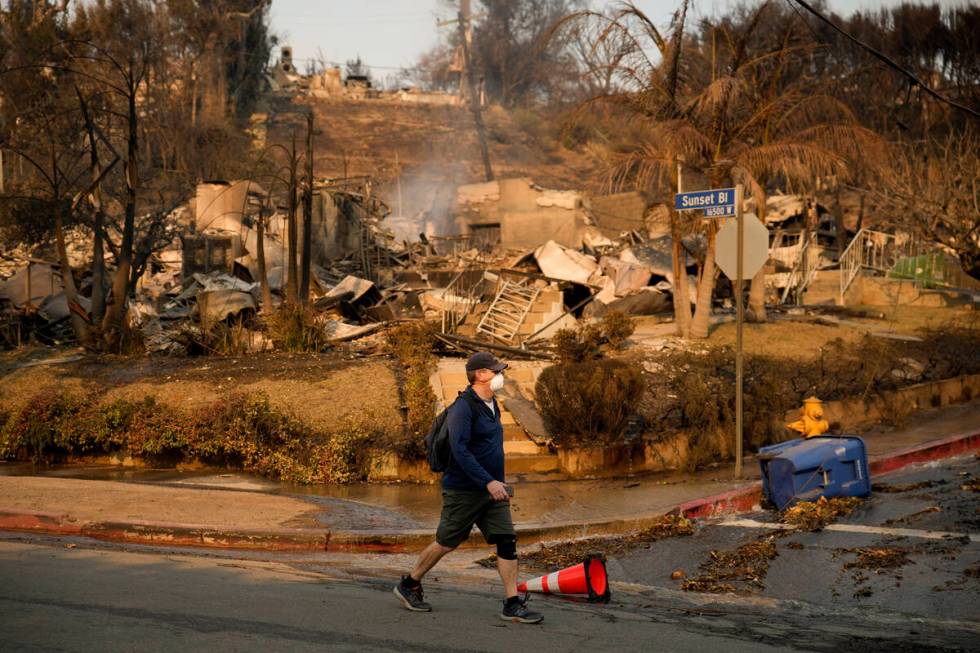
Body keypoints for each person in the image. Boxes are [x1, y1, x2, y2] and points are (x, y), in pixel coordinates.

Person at [393, 351, 543, 624]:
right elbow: (459, 451)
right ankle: (410, 583)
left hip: (493, 491)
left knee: (506, 540)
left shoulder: (492, 403)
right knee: (446, 542)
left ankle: (511, 603)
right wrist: (487, 481)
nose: (501, 375)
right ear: (481, 374)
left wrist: (496, 483)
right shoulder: (463, 408)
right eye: (496, 371)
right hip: (464, 490)